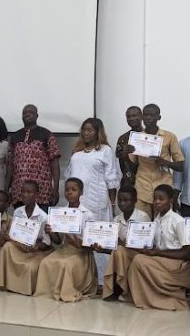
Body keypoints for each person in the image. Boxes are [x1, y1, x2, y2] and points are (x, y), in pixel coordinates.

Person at [65, 118, 120, 285]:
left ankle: (102, 281)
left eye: (90, 130)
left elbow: (111, 177)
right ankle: (83, 278)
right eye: (84, 130)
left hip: (97, 200)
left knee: (98, 240)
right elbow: (70, 175)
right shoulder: (77, 152)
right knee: (79, 239)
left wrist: (112, 203)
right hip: (78, 202)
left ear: (98, 132)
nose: (86, 133)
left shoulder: (105, 151)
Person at [128, 184, 190, 310]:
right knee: (137, 257)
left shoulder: (178, 221)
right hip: (161, 258)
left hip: (177, 262)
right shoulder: (157, 220)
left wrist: (157, 253)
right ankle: (146, 296)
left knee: (139, 261)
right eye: (155, 199)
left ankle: (159, 299)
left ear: (170, 200)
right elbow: (155, 245)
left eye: (161, 198)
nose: (157, 202)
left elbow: (187, 253)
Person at [34, 178, 97, 302]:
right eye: (67, 190)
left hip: (82, 252)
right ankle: (47, 291)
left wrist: (77, 243)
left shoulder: (88, 214)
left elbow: (91, 244)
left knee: (66, 264)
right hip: (64, 249)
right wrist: (51, 233)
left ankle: (65, 291)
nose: (70, 192)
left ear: (81, 192)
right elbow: (57, 241)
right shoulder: (60, 212)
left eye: (74, 189)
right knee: (46, 262)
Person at [123, 104, 184, 218]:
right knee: (141, 223)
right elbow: (133, 165)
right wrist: (126, 153)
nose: (148, 118)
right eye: (146, 115)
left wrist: (165, 162)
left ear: (159, 117)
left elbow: (180, 166)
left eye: (152, 115)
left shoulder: (169, 136)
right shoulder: (137, 138)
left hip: (163, 188)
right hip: (142, 187)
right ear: (142, 117)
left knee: (163, 224)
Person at [0, 181, 53, 296]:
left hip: (37, 250)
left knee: (30, 267)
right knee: (7, 246)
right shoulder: (18, 212)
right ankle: (4, 282)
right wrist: (10, 237)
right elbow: (15, 234)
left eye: (29, 192)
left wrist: (34, 245)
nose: (25, 195)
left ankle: (24, 288)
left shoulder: (43, 216)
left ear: (36, 195)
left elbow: (46, 243)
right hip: (20, 247)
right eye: (23, 192)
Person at [101, 185, 150, 301]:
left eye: (126, 200)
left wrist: (121, 244)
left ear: (135, 201)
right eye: (120, 200)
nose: (122, 203)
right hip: (122, 254)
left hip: (138, 254)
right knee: (118, 251)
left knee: (119, 251)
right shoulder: (117, 219)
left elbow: (140, 244)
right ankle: (117, 287)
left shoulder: (142, 218)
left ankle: (117, 288)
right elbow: (114, 243)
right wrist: (101, 248)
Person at [8, 105, 61, 210]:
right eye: (24, 112)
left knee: (40, 223)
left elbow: (55, 163)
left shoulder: (46, 134)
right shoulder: (15, 137)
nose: (27, 114)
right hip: (19, 192)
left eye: (31, 112)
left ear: (37, 116)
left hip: (42, 192)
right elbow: (10, 165)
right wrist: (6, 189)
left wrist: (56, 188)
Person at [115, 106, 143, 186]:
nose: (131, 119)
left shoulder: (149, 137)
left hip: (145, 182)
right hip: (127, 182)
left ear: (141, 116)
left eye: (134, 116)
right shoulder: (122, 138)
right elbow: (120, 162)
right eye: (128, 116)